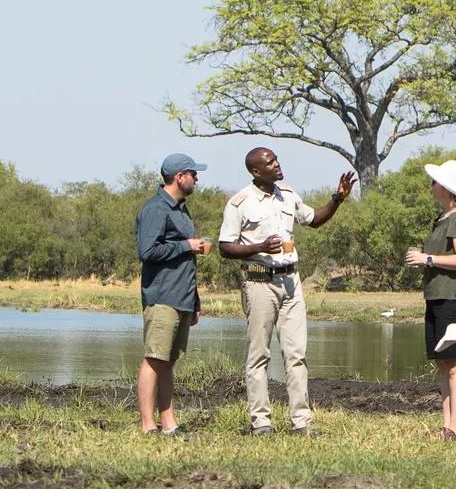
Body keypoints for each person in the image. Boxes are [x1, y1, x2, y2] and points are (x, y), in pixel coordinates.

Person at [218, 148, 354, 435]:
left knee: (296, 354)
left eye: (277, 159)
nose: (277, 165)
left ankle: (301, 422)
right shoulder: (239, 202)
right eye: (270, 162)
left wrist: (338, 198)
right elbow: (225, 247)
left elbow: (314, 219)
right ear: (256, 171)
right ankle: (261, 423)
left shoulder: (288, 195)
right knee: (259, 355)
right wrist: (259, 247)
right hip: (258, 281)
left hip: (291, 281)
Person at [133, 152, 212, 435]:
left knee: (168, 361)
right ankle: (147, 425)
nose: (197, 179)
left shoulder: (180, 209)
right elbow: (147, 252)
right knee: (154, 358)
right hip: (162, 296)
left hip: (182, 296)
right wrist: (186, 246)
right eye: (193, 174)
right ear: (179, 177)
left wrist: (194, 299)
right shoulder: (156, 209)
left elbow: (184, 259)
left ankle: (168, 424)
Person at [405, 159, 456, 439]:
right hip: (438, 297)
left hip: (454, 298)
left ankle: (455, 429)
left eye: (435, 182)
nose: (431, 185)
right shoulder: (443, 218)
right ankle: (447, 426)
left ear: (447, 188)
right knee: (444, 363)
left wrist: (428, 259)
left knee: (455, 363)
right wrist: (427, 261)